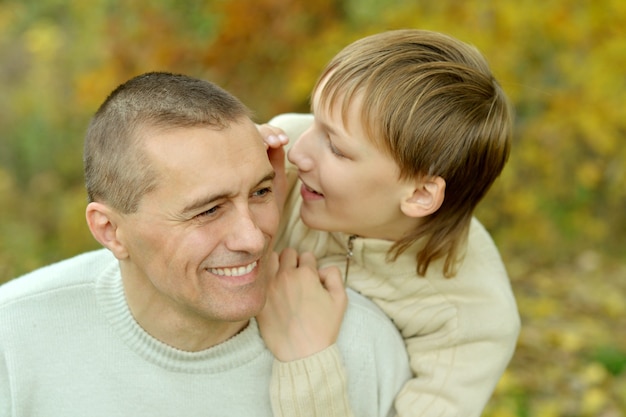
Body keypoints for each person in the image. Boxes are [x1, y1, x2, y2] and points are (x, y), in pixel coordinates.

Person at [0, 72, 412, 416]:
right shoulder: (13, 343)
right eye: (208, 211)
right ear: (110, 230)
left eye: (261, 193)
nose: (252, 238)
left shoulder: (362, 346)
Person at [258, 29, 521, 417]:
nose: (299, 151)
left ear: (418, 195)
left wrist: (308, 359)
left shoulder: (470, 320)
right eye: (315, 120)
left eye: (336, 147)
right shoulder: (284, 154)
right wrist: (239, 187)